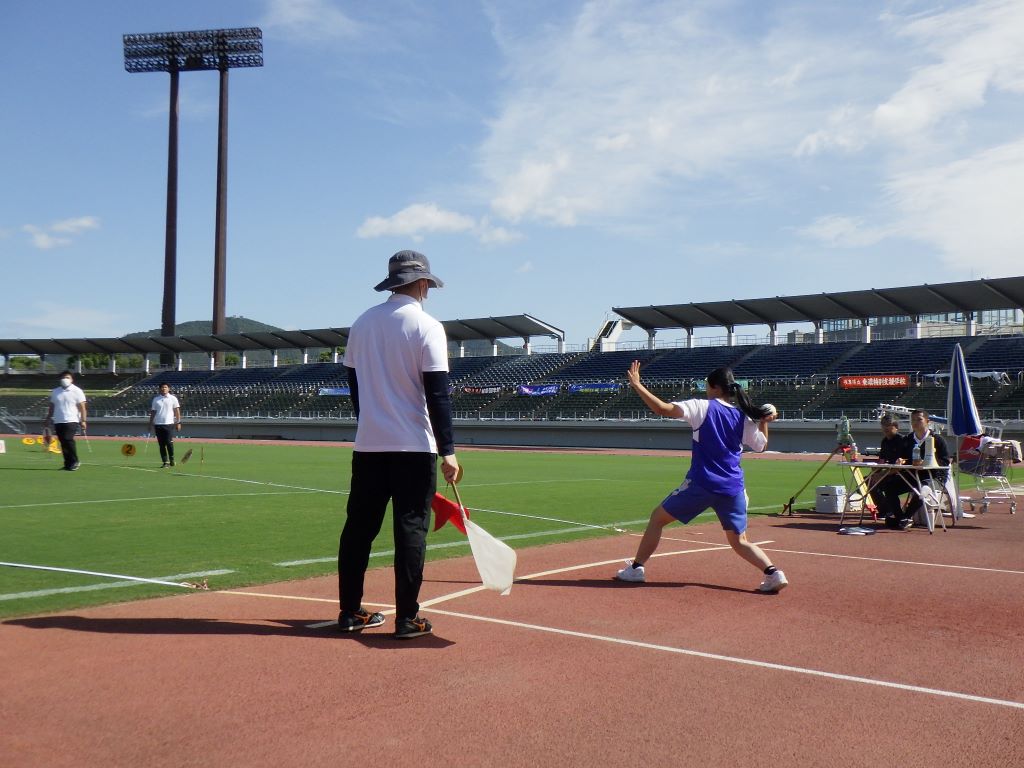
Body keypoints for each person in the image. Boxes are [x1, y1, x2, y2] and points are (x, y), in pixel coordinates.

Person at [337, 250, 460, 639]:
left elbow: (354, 385)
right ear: (423, 284)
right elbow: (438, 395)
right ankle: (408, 617)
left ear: (393, 283)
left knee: (358, 529)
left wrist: (371, 422)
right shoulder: (427, 325)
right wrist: (449, 451)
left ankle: (350, 612)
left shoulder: (362, 323)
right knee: (410, 530)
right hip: (414, 446)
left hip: (369, 445)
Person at [615, 362, 788, 593]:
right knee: (740, 541)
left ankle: (636, 568)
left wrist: (637, 385)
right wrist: (764, 423)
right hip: (733, 488)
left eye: (706, 384)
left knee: (657, 518)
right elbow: (761, 446)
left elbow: (662, 409)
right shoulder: (741, 416)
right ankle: (773, 573)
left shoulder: (702, 407)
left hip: (703, 483)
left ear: (715, 387)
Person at [898, 409, 950, 530]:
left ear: (927, 421)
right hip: (911, 476)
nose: (915, 422)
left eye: (919, 419)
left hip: (934, 477)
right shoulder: (907, 440)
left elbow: (945, 462)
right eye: (913, 420)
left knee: (923, 488)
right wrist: (901, 460)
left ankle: (906, 517)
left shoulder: (938, 440)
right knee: (889, 487)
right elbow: (902, 457)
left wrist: (927, 462)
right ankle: (898, 516)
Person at [44, 370, 87, 471]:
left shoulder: (77, 391)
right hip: (58, 420)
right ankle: (67, 463)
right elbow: (52, 406)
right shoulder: (55, 391)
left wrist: (83, 420)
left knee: (68, 439)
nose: (65, 379)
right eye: (63, 377)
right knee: (63, 441)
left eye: (67, 377)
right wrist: (48, 418)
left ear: (72, 379)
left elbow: (82, 407)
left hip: (72, 419)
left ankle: (75, 461)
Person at [870, 413, 907, 525]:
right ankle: (885, 509)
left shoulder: (902, 440)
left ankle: (889, 510)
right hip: (888, 471)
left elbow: (903, 463)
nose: (885, 428)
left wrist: (882, 474)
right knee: (868, 481)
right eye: (883, 425)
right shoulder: (884, 442)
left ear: (896, 426)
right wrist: (875, 470)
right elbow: (882, 460)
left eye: (888, 425)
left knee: (883, 483)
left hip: (900, 473)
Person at [148, 382, 182, 468]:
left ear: (169, 388)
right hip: (158, 424)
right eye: (162, 387)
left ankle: (172, 459)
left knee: (169, 443)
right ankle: (165, 462)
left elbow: (177, 411)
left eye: (165, 387)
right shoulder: (156, 399)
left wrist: (178, 422)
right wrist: (150, 423)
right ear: (159, 389)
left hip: (169, 424)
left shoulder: (173, 398)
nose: (164, 389)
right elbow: (153, 412)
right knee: (161, 444)